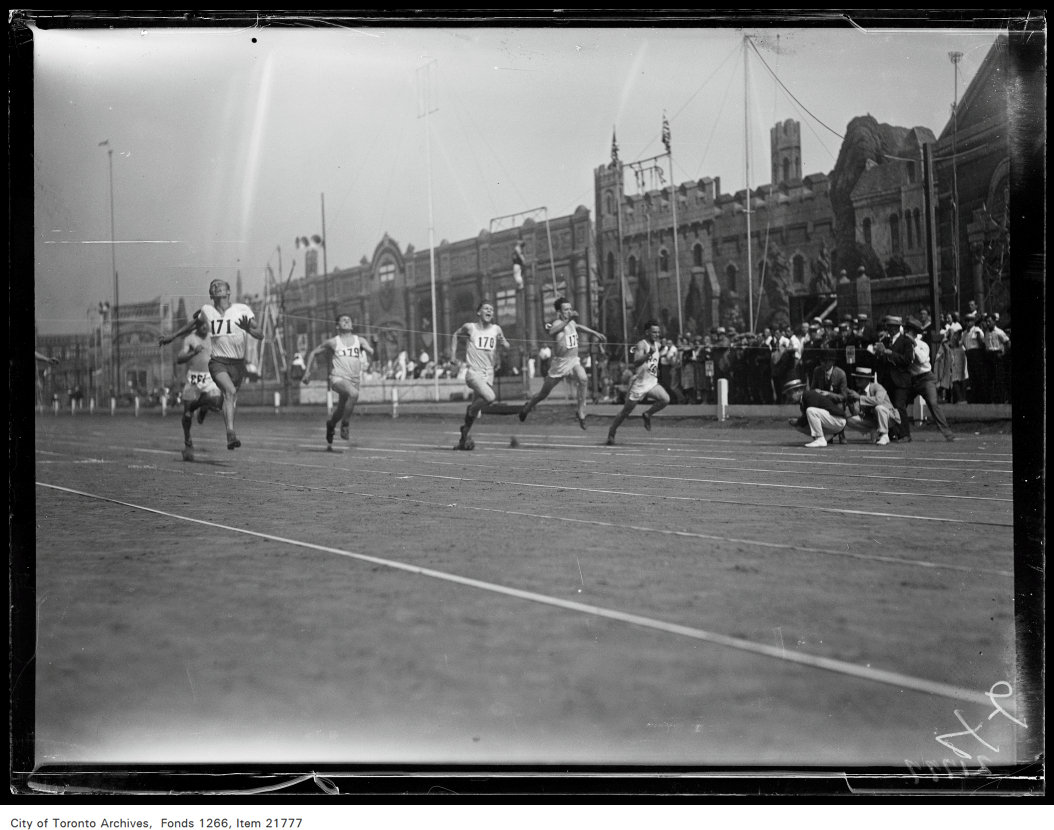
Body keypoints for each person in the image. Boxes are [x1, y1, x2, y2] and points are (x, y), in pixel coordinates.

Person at [159, 278, 263, 450]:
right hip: (202, 373)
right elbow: (189, 331)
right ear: (210, 295)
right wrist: (174, 338)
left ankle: (202, 406)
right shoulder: (202, 320)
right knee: (191, 411)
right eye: (212, 286)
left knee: (220, 401)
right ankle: (212, 436)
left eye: (219, 285)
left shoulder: (241, 310)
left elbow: (260, 333)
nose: (216, 286)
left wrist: (249, 329)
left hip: (232, 367)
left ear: (228, 292)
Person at [519, 297, 606, 429]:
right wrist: (568, 320)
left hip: (573, 360)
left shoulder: (571, 323)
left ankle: (581, 412)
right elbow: (552, 331)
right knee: (543, 393)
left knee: (583, 379)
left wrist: (595, 333)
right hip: (559, 365)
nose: (569, 311)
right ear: (559, 312)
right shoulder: (557, 323)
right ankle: (528, 406)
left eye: (570, 309)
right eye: (566, 310)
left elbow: (579, 327)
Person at [875, 315, 956, 442]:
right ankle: (897, 432)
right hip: (911, 380)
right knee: (899, 404)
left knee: (933, 404)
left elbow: (921, 359)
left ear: (914, 332)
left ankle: (947, 433)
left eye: (908, 330)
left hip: (925, 378)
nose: (906, 332)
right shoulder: (900, 342)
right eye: (905, 329)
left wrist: (914, 344)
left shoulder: (922, 345)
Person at [302, 314, 375, 449]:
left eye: (349, 319)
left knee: (341, 409)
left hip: (353, 379)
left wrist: (373, 348)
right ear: (338, 326)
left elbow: (371, 352)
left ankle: (331, 424)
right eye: (343, 320)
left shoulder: (360, 340)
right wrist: (307, 372)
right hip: (337, 378)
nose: (347, 321)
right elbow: (313, 353)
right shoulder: (334, 342)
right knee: (353, 394)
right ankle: (345, 425)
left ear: (352, 325)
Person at [450, 301, 512, 450]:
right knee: (490, 398)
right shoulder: (470, 327)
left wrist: (504, 344)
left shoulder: (497, 329)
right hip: (473, 372)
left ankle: (463, 439)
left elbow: (507, 344)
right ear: (479, 312)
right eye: (486, 308)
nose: (489, 311)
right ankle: (470, 410)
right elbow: (455, 334)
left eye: (491, 309)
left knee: (476, 411)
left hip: (488, 373)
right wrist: (453, 355)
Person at [606, 320, 669, 445]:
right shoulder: (641, 344)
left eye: (658, 332)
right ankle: (612, 431)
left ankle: (647, 414)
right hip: (639, 384)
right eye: (654, 332)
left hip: (651, 382)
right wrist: (648, 355)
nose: (656, 334)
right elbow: (636, 363)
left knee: (665, 399)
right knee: (626, 411)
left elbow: (658, 355)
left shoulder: (657, 344)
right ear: (647, 332)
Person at [174, 314, 223, 461]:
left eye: (205, 324)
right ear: (196, 325)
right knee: (187, 414)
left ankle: (203, 407)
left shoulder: (214, 337)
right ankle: (188, 443)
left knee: (216, 402)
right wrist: (191, 353)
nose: (203, 326)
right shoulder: (190, 339)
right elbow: (179, 359)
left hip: (209, 379)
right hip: (194, 380)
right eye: (200, 324)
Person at [844, 366, 899, 445]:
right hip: (873, 420)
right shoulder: (859, 392)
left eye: (860, 378)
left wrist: (859, 397)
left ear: (867, 379)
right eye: (856, 378)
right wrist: (850, 402)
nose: (857, 380)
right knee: (849, 420)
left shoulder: (878, 387)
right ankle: (874, 430)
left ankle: (884, 435)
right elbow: (856, 413)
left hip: (889, 418)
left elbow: (878, 401)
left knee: (879, 408)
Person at [808, 349, 849, 444]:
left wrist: (829, 394)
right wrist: (816, 392)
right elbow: (812, 389)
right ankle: (824, 433)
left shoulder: (841, 374)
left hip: (836, 402)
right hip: (821, 401)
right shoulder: (817, 371)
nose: (823, 363)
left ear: (832, 362)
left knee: (839, 406)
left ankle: (840, 432)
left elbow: (844, 396)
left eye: (826, 361)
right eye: (821, 361)